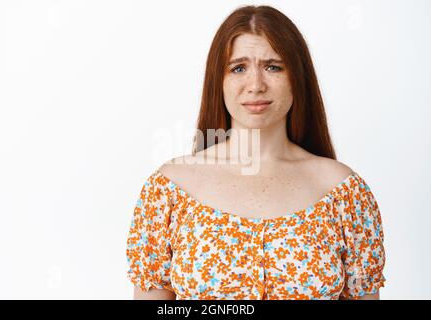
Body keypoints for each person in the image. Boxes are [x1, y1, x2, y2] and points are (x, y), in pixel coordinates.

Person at [126, 5, 386, 300]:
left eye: (273, 66)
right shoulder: (168, 191)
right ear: (218, 81)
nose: (256, 85)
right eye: (238, 68)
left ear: (297, 77)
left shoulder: (344, 193)